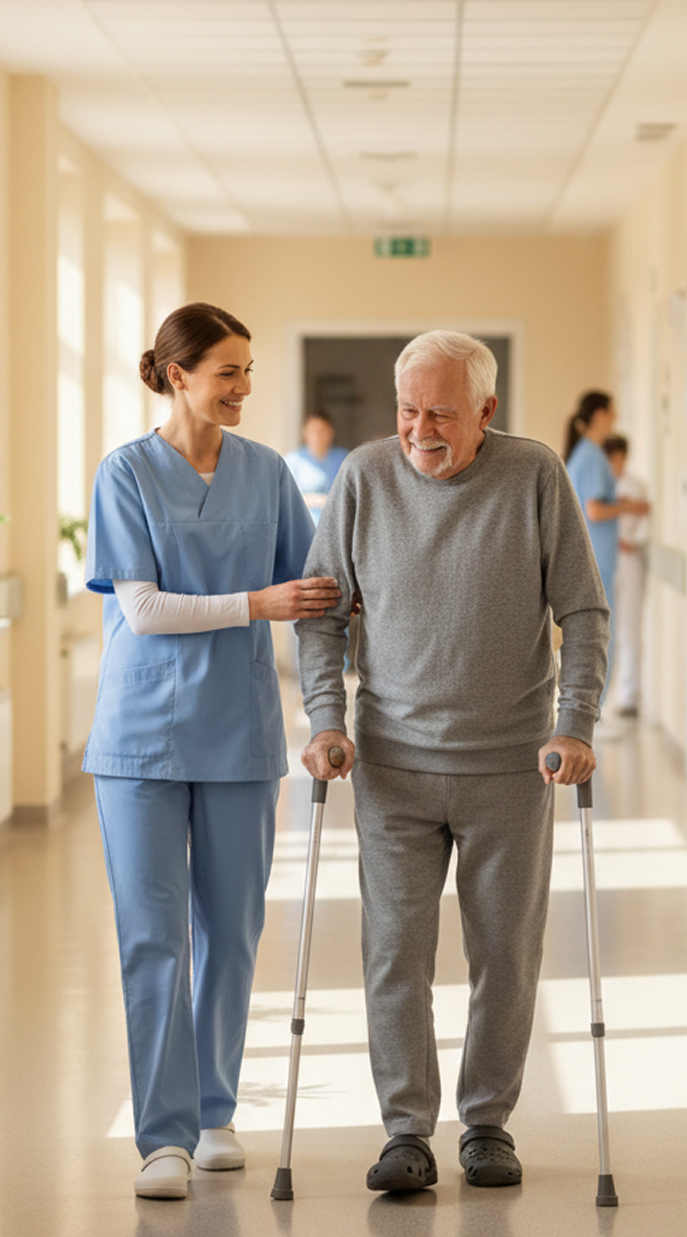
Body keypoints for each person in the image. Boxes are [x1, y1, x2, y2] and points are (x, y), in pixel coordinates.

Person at [296, 331, 610, 1194]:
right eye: (407, 409)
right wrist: (327, 716)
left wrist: (575, 722)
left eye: (439, 410)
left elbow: (583, 610)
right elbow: (320, 613)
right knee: (394, 951)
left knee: (504, 952)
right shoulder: (363, 479)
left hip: (514, 766)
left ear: (486, 411)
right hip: (392, 765)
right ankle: (406, 1127)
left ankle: (486, 1123)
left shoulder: (535, 475)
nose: (419, 428)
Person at [82, 302, 340, 1200]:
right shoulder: (125, 474)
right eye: (228, 370)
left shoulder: (268, 474)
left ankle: (215, 1109)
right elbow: (144, 608)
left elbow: (309, 598)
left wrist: (327, 709)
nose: (243, 387)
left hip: (238, 734)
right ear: (177, 372)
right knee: (154, 939)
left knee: (230, 931)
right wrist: (255, 603)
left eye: (247, 370)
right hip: (140, 742)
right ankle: (163, 1137)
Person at [564, 392, 650, 701]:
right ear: (600, 414)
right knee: (601, 638)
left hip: (594, 558)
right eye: (612, 410)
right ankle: (594, 715)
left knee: (594, 637)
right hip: (597, 559)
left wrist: (619, 503)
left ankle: (593, 714)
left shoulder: (587, 453)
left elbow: (597, 503)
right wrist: (628, 508)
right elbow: (595, 510)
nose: (616, 415)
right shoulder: (592, 455)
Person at [603, 434, 650, 716]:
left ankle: (628, 698)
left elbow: (646, 517)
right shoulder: (603, 485)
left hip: (629, 559)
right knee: (607, 630)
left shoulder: (636, 485)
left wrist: (634, 541)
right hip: (607, 560)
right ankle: (605, 697)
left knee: (630, 628)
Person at [284, 410, 348, 524]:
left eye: (322, 431)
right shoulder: (294, 460)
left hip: (336, 526)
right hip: (304, 526)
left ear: (331, 432)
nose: (318, 435)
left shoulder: (343, 458)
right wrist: (317, 500)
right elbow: (286, 499)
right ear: (305, 433)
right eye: (313, 431)